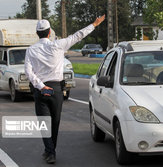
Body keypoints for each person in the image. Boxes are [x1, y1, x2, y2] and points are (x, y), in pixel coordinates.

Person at [25, 15, 105, 164]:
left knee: (44, 122)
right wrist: (94, 24)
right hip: (56, 89)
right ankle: (50, 151)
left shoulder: (31, 50)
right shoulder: (59, 45)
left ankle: (50, 151)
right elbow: (78, 35)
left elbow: (29, 73)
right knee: (55, 122)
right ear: (49, 33)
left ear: (37, 34)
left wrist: (41, 86)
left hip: (41, 89)